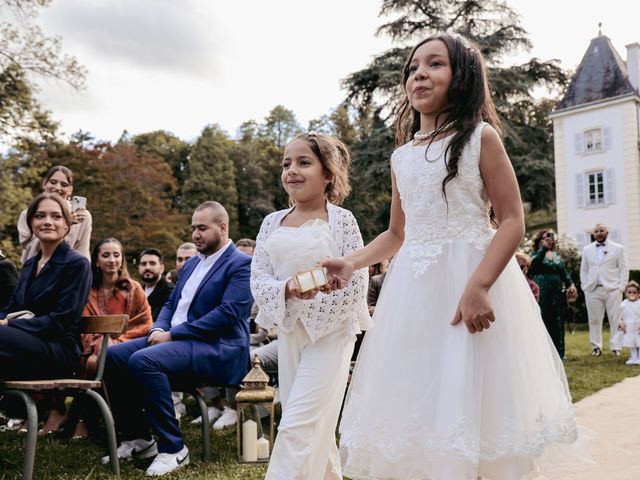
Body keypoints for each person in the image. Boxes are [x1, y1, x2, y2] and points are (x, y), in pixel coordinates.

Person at [322, 34, 586, 479]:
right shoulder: (401, 157)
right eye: (412, 68)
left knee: (474, 396)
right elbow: (397, 233)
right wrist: (353, 262)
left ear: (461, 77)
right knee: (418, 396)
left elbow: (512, 220)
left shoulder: (480, 138)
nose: (419, 74)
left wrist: (479, 285)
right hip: (414, 292)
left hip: (470, 279)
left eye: (435, 64)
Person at [251, 131, 370, 480]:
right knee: (312, 424)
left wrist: (319, 308)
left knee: (296, 425)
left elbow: (357, 278)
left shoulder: (343, 220)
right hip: (290, 331)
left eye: (304, 162)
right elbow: (258, 277)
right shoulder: (271, 222)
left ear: (328, 174)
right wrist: (287, 289)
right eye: (287, 163)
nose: (292, 171)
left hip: (332, 333)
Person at [103, 201, 253, 476]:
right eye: (193, 228)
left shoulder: (242, 264)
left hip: (219, 348)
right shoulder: (192, 263)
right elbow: (171, 304)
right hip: (178, 341)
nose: (195, 234)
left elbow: (228, 315)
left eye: (202, 228)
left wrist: (173, 334)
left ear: (222, 227)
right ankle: (140, 438)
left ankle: (173, 448)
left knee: (144, 361)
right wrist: (157, 330)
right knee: (112, 356)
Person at [0, 193, 91, 422]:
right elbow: (11, 306)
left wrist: (10, 323)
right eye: (40, 216)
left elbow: (61, 321)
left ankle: (16, 410)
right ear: (31, 223)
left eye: (56, 216)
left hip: (58, 350)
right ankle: (14, 409)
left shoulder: (77, 264)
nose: (47, 221)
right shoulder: (30, 265)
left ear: (67, 224)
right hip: (24, 346)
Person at [64, 238, 153, 439]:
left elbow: (145, 324)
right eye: (106, 255)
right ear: (97, 261)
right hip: (94, 347)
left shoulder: (134, 289)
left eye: (116, 255)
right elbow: (84, 326)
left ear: (122, 260)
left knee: (101, 359)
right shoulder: (89, 291)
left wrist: (115, 342)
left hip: (131, 345)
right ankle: (91, 419)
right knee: (95, 360)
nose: (111, 260)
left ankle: (108, 421)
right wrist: (99, 343)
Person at [17, 165, 92, 263]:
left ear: (70, 190)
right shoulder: (28, 214)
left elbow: (83, 251)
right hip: (36, 270)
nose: (57, 188)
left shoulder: (83, 217)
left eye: (64, 185)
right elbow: (30, 248)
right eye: (53, 182)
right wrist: (67, 223)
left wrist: (85, 274)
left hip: (69, 272)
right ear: (44, 184)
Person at [580, 223, 629, 356]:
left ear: (607, 232)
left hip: (613, 289)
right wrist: (585, 286)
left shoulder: (618, 248)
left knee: (616, 319)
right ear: (593, 234)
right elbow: (583, 270)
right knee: (594, 319)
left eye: (602, 230)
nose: (599, 233)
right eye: (596, 231)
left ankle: (616, 347)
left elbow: (624, 268)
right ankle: (596, 347)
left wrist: (621, 287)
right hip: (592, 289)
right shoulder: (587, 250)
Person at [529, 229, 577, 358]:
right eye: (544, 238)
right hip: (542, 291)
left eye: (550, 237)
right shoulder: (534, 254)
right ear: (539, 240)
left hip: (557, 293)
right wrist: (543, 249)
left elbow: (564, 273)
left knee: (558, 322)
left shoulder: (556, 256)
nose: (548, 239)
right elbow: (534, 266)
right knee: (543, 320)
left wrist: (570, 284)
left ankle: (560, 354)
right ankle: (544, 353)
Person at [138, 248, 174, 321]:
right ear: (139, 268)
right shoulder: (136, 291)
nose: (147, 267)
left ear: (162, 268)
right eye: (143, 264)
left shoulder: (170, 291)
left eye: (152, 263)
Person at [616, 281, 640, 365]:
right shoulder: (624, 304)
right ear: (626, 293)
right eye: (629, 292)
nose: (632, 294)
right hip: (629, 326)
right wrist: (621, 323)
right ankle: (633, 357)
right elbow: (621, 315)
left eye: (634, 292)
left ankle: (639, 358)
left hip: (638, 326)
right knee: (631, 343)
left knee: (639, 342)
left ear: (638, 294)